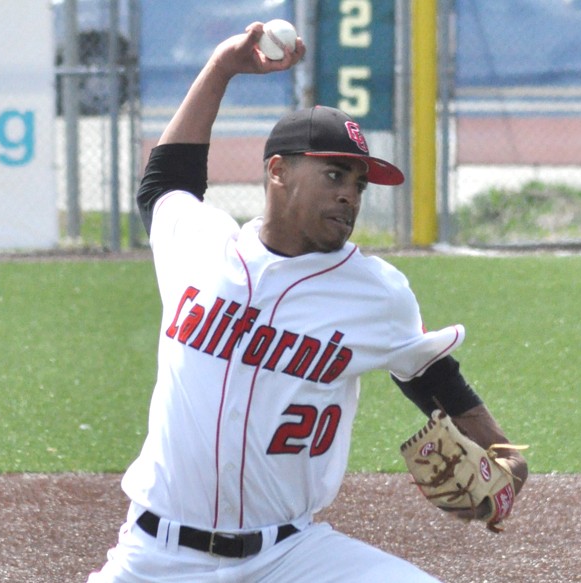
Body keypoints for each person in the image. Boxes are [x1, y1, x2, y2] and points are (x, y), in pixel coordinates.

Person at [88, 22, 527, 583]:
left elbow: (432, 375)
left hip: (290, 556)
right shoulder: (200, 248)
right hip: (157, 556)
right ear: (278, 171)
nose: (350, 193)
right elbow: (165, 181)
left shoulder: (375, 291)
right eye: (334, 173)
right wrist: (221, 68)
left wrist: (507, 456)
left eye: (360, 184)